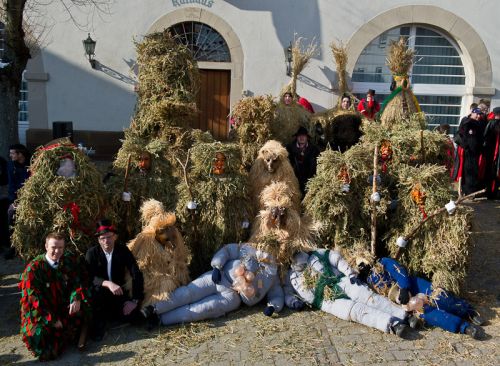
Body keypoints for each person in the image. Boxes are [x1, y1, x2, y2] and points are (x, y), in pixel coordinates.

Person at [141, 242, 286, 327]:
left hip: (232, 297)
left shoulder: (272, 274)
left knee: (200, 310)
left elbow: (277, 293)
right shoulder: (250, 249)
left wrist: (273, 307)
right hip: (219, 278)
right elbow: (228, 250)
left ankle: (160, 320)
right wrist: (217, 266)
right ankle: (154, 308)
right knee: (188, 293)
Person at [288, 249, 411, 338]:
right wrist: (293, 302)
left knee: (368, 297)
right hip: (327, 300)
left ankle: (404, 316)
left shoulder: (315, 254)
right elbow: (286, 291)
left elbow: (334, 258)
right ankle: (392, 325)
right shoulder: (290, 276)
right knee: (355, 311)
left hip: (341, 281)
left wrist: (350, 274)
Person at [357, 257, 485, 339]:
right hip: (403, 302)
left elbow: (399, 270)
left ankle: (468, 311)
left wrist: (404, 287)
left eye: (362, 263)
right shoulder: (367, 284)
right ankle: (465, 327)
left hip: (413, 286)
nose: (361, 266)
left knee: (440, 298)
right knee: (430, 314)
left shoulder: (382, 263)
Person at [18, 232, 90, 360]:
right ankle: (67, 332)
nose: (57, 251)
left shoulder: (66, 260)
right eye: (53, 247)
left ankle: (69, 331)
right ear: (46, 246)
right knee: (38, 337)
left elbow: (77, 281)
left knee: (85, 305)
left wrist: (76, 297)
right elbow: (33, 302)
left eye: (60, 248)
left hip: (61, 306)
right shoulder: (33, 269)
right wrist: (51, 319)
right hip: (41, 314)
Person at [85, 220, 144, 341]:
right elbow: (89, 277)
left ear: (115, 236)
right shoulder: (92, 253)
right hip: (100, 295)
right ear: (98, 240)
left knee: (135, 317)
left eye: (109, 237)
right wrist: (107, 283)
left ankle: (113, 315)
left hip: (118, 293)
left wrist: (135, 300)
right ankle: (100, 322)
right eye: (102, 238)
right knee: (96, 307)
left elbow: (136, 273)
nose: (106, 241)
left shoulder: (123, 251)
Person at [5, 144, 30, 259]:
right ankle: (13, 246)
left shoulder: (31, 164)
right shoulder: (11, 166)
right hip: (16, 199)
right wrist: (15, 201)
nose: (10, 156)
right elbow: (11, 186)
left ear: (20, 154)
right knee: (11, 213)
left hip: (31, 197)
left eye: (12, 153)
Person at [453, 108, 485, 195]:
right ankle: (469, 192)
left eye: (480, 114)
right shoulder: (468, 123)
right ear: (472, 113)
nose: (478, 116)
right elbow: (464, 136)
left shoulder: (477, 123)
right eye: (477, 114)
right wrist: (467, 147)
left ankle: (469, 191)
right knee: (469, 172)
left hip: (474, 152)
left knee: (472, 172)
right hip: (469, 152)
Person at [286, 126, 320, 195]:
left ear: (307, 137)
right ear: (296, 137)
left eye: (303, 136)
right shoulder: (289, 149)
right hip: (294, 178)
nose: (301, 138)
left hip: (309, 179)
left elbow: (318, 163)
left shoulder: (314, 149)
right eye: (299, 136)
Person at [482, 106, 500, 199]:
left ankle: (491, 192)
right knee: (492, 172)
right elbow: (486, 137)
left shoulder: (490, 123)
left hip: (493, 152)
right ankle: (491, 192)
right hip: (492, 152)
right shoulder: (492, 123)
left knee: (492, 172)